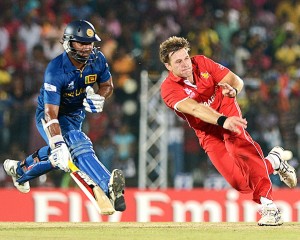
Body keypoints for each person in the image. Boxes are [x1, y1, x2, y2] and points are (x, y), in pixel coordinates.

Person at [159, 36, 297, 226]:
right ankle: (274, 161)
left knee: (238, 148)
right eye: (178, 61)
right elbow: (195, 109)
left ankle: (269, 208)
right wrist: (221, 121)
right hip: (208, 130)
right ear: (168, 66)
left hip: (227, 110)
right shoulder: (168, 88)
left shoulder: (203, 63)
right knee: (239, 183)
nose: (185, 64)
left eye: (186, 58)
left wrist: (234, 91)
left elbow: (235, 81)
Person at [3, 20, 126, 212]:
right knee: (76, 144)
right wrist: (58, 142)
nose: (87, 48)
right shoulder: (55, 69)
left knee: (58, 158)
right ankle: (107, 185)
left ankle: (20, 171)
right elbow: (51, 113)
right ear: (69, 43)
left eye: (90, 43)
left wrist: (100, 97)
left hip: (75, 116)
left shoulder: (98, 59)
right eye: (81, 43)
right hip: (50, 115)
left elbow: (107, 85)